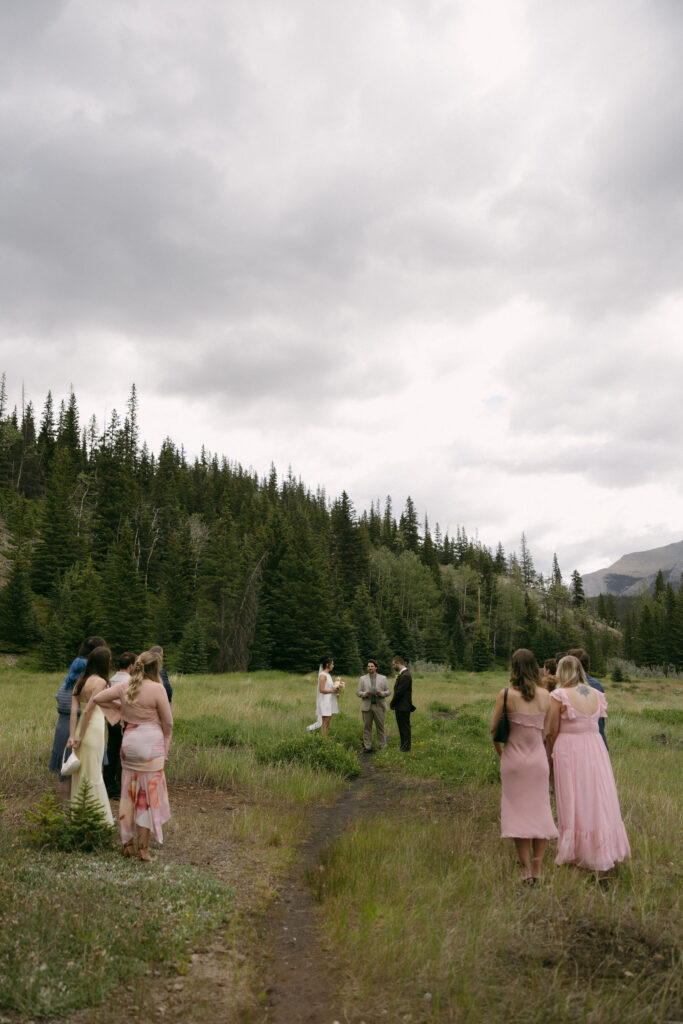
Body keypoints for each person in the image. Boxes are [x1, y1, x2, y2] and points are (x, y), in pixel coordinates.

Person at [546, 655, 630, 872]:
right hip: (596, 749)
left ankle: (578, 851)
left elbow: (552, 730)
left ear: (562, 672)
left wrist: (551, 750)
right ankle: (601, 847)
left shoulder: (559, 695)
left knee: (574, 796)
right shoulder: (596, 694)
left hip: (570, 750)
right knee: (597, 797)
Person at [91, 650, 173, 861]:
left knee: (128, 795)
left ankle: (127, 844)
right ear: (156, 668)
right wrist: (166, 744)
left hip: (129, 744)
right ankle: (143, 849)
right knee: (146, 797)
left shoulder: (124, 686)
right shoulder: (158, 689)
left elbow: (99, 698)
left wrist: (121, 711)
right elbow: (169, 722)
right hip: (151, 746)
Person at [491, 649, 557, 884]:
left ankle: (525, 870)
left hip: (514, 762)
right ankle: (538, 870)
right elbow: (546, 732)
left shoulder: (506, 694)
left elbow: (493, 732)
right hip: (538, 762)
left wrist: (503, 753)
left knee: (518, 814)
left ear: (514, 668)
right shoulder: (546, 696)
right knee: (540, 812)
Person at [49, 635, 107, 802]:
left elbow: (61, 698)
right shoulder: (91, 672)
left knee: (67, 770)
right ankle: (87, 811)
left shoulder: (75, 666)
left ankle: (68, 814)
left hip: (66, 724)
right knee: (88, 771)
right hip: (84, 725)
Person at [66, 646, 115, 826]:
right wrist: (80, 736)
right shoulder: (100, 682)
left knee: (81, 772)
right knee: (94, 770)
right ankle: (98, 819)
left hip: (80, 728)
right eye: (109, 660)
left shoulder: (80, 681)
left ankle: (79, 816)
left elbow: (74, 711)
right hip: (93, 728)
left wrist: (73, 735)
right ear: (104, 662)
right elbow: (88, 711)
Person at [103, 651, 137, 800]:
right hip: (125, 719)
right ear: (131, 666)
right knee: (123, 754)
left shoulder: (111, 680)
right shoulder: (131, 682)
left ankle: (107, 784)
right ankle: (119, 786)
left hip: (111, 720)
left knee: (112, 751)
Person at [567, 648, 607, 748]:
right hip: (597, 740)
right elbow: (600, 720)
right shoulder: (597, 685)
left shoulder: (564, 687)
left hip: (573, 743)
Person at [357, 658, 390, 751]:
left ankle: (382, 746)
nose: (370, 668)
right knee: (367, 727)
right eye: (368, 666)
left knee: (380, 727)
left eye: (372, 666)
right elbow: (358, 692)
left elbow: (388, 692)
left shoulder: (383, 678)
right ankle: (367, 746)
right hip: (366, 706)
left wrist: (381, 693)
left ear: (376, 667)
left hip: (379, 706)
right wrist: (365, 694)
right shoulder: (362, 678)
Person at [307, 657, 340, 736]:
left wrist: (337, 687)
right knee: (325, 723)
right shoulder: (322, 675)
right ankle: (323, 740)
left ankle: (325, 739)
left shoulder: (328, 675)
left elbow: (328, 687)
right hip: (325, 702)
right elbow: (321, 690)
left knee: (327, 723)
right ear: (327, 665)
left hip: (329, 701)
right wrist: (333, 691)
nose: (333, 666)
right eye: (332, 664)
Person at [390, 655, 415, 751]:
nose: (393, 667)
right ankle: (404, 746)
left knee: (404, 727)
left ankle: (406, 747)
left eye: (393, 664)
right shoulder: (404, 674)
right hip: (402, 706)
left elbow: (399, 692)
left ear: (398, 663)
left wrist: (392, 703)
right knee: (402, 727)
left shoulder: (405, 676)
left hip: (403, 706)